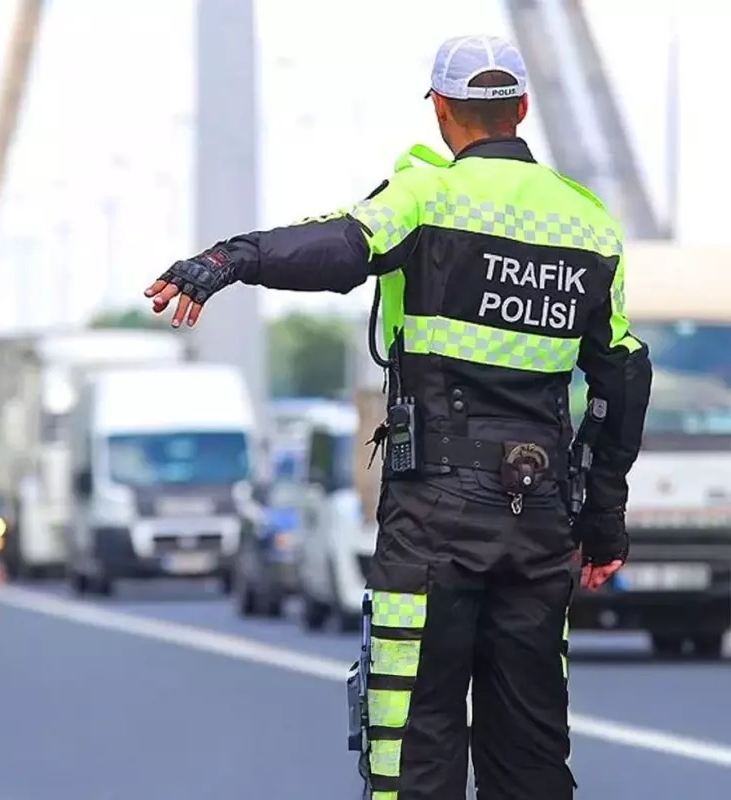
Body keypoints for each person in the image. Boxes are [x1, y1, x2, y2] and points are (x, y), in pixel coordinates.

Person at [144, 34, 652, 800]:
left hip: (434, 519)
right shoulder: (590, 226)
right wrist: (603, 524)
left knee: (412, 743)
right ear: (521, 108)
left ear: (444, 112)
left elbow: (337, 248)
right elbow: (621, 381)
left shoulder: (426, 194)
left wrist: (228, 260)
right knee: (533, 758)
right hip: (543, 521)